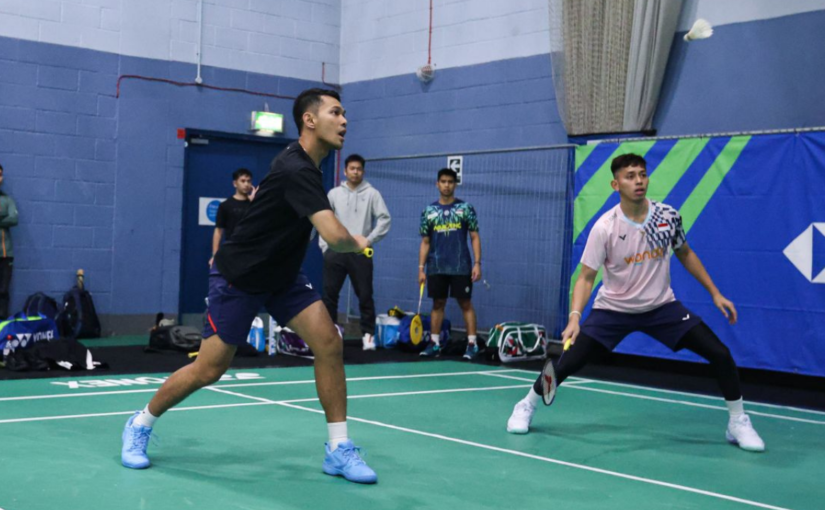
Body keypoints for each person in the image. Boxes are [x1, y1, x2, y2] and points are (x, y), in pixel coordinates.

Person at [121, 88, 378, 483]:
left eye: (345, 114)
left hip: (282, 277)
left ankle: (339, 449)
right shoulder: (298, 168)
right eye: (336, 113)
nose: (345, 121)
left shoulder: (309, 167)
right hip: (239, 277)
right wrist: (359, 241)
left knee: (328, 341)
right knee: (210, 369)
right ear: (310, 120)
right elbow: (334, 234)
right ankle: (140, 424)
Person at [506, 154, 765, 452]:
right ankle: (526, 404)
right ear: (615, 184)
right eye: (630, 176)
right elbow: (586, 278)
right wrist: (575, 316)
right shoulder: (605, 227)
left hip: (661, 308)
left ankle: (737, 421)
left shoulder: (667, 217)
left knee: (719, 354)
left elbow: (685, 253)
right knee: (569, 363)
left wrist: (715, 293)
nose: (638, 180)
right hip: (613, 310)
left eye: (642, 174)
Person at [320, 154, 391, 351]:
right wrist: (325, 246)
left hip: (360, 252)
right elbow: (323, 221)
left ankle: (368, 336)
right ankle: (330, 335)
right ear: (345, 171)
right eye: (352, 168)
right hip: (335, 251)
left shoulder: (372, 194)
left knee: (365, 295)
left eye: (359, 169)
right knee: (329, 295)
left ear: (363, 171)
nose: (355, 172)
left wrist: (368, 240)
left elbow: (385, 219)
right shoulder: (334, 194)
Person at [417, 168, 482, 360]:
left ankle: (472, 344)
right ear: (437, 184)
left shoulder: (466, 209)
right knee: (437, 303)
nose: (446, 185)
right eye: (443, 181)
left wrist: (477, 263)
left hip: (460, 266)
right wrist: (421, 268)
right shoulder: (429, 211)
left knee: (465, 303)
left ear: (455, 184)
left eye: (450, 182)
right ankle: (434, 343)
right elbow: (425, 242)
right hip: (436, 266)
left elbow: (475, 237)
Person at [209, 168, 253, 267]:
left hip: (250, 251)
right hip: (232, 250)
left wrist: (255, 202)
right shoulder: (225, 205)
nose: (246, 184)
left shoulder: (254, 205)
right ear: (235, 183)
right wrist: (215, 255)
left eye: (249, 181)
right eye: (242, 181)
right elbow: (218, 231)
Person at [0, 164, 18, 319]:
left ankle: (2, 322)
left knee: (3, 291)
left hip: (6, 255)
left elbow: (13, 218)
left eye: (0, 175)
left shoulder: (7, 200)